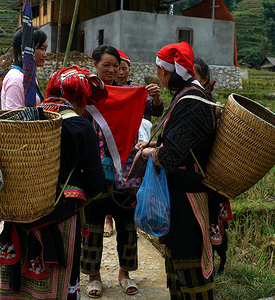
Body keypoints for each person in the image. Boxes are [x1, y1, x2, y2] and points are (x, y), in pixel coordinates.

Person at [0, 66, 106, 299]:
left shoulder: (26, 118)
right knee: (61, 281)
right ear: (79, 97)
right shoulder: (80, 125)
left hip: (20, 210)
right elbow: (95, 182)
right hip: (62, 213)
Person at [137, 42, 218, 299]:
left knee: (189, 262)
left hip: (188, 199)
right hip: (180, 193)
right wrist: (154, 144)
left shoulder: (191, 101)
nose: (158, 74)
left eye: (160, 69)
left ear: (168, 72)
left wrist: (150, 153)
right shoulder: (187, 96)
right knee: (178, 262)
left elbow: (172, 155)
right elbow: (181, 142)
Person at [81, 45, 163, 298]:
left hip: (127, 169)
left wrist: (157, 99)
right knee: (92, 224)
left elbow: (154, 110)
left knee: (127, 223)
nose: (112, 70)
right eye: (106, 65)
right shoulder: (86, 93)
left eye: (115, 66)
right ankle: (93, 276)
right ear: (94, 65)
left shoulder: (130, 92)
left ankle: (124, 273)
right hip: (95, 168)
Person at [1, 27, 47, 110]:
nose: (45, 54)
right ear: (24, 49)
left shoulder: (27, 76)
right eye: (41, 49)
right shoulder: (16, 79)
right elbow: (15, 118)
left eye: (45, 49)